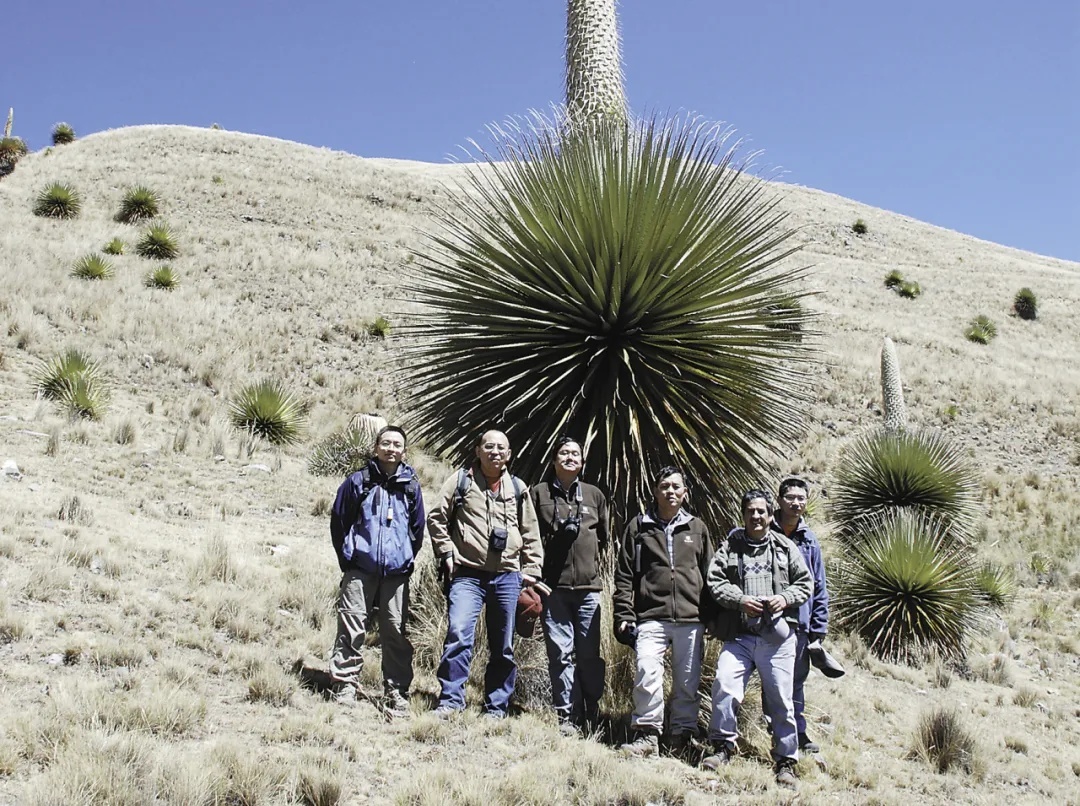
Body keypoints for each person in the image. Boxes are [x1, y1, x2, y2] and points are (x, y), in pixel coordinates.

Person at [428, 429, 543, 718]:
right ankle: (451, 701)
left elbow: (530, 531)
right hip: (467, 574)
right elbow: (436, 518)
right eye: (488, 446)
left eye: (500, 447)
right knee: (458, 635)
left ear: (509, 454)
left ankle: (496, 707)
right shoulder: (461, 482)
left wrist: (531, 569)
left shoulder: (518, 488)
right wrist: (447, 551)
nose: (495, 452)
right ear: (478, 450)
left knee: (503, 645)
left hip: (507, 576)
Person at [703, 489, 812, 790]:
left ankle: (786, 760)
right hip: (740, 636)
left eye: (761, 511)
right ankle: (722, 746)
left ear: (769, 513)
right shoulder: (731, 546)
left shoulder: (784, 546)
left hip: (777, 639)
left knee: (780, 700)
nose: (756, 516)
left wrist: (783, 598)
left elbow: (805, 582)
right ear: (744, 514)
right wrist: (740, 600)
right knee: (725, 685)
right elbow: (715, 581)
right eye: (750, 511)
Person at [613, 466, 713, 758]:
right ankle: (647, 735)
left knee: (687, 681)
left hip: (690, 618)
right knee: (646, 672)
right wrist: (623, 614)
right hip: (650, 617)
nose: (670, 491)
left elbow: (710, 575)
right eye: (664, 486)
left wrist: (712, 616)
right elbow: (624, 575)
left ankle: (681, 736)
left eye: (676, 486)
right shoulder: (638, 527)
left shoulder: (697, 528)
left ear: (685, 493)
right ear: (655, 491)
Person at [328, 425, 425, 715]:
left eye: (397, 444)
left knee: (394, 630)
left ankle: (396, 690)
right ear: (375, 448)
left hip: (396, 573)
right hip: (361, 567)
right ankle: (344, 683)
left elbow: (417, 529)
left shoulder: (410, 486)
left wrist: (404, 558)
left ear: (404, 452)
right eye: (385, 443)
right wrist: (349, 557)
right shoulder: (358, 481)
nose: (391, 449)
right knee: (352, 624)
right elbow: (339, 520)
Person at [530, 436, 609, 735]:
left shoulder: (594, 495)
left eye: (575, 453)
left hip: (588, 589)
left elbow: (603, 537)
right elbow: (530, 537)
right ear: (554, 460)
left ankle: (591, 709)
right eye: (563, 453)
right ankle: (566, 716)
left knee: (589, 654)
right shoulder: (538, 494)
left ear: (582, 461)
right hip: (553, 588)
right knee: (560, 653)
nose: (570, 457)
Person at [768, 477, 830, 754]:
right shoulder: (763, 529)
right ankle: (768, 727)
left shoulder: (809, 540)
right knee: (769, 678)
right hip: (767, 620)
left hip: (800, 623)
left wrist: (819, 625)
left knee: (795, 681)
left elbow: (819, 584)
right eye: (790, 497)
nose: (796, 503)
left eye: (801, 498)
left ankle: (797, 733)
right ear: (779, 500)